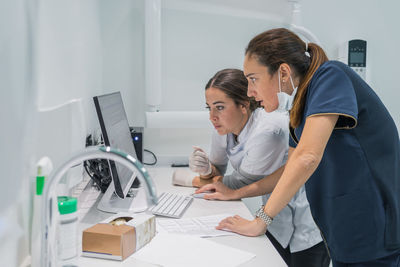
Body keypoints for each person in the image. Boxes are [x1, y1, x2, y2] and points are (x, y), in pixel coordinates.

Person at [196, 28, 400, 266]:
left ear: (282, 71)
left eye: (253, 79)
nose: (250, 92)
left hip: (372, 224)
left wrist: (260, 221)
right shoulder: (302, 104)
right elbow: (290, 166)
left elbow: (307, 157)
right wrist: (238, 196)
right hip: (341, 227)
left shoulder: (331, 75)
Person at [178, 68, 330, 266]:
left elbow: (238, 183)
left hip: (307, 223)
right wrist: (207, 171)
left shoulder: (268, 131)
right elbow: (219, 174)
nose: (212, 116)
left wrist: (186, 178)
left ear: (243, 105)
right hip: (275, 217)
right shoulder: (223, 126)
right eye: (209, 108)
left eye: (220, 107)